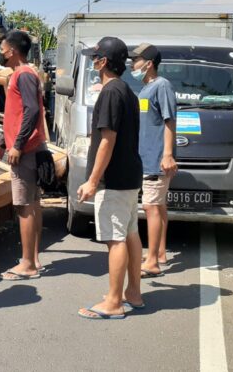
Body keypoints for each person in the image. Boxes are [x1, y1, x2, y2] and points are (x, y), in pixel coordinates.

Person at [76, 37, 144, 320]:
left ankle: (114, 302)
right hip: (129, 176)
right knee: (130, 235)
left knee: (115, 239)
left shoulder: (110, 93)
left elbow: (107, 140)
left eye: (95, 58)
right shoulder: (126, 91)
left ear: (103, 62)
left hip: (114, 180)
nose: (93, 63)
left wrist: (92, 180)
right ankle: (133, 293)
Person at [0, 30, 48, 280]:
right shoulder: (25, 73)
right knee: (33, 204)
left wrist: (18, 145)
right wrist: (4, 142)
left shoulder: (23, 75)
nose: (1, 54)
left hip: (26, 152)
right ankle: (34, 258)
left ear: (13, 51)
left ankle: (27, 264)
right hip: (30, 148)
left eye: (2, 50)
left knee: (24, 206)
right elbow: (15, 114)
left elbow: (31, 110)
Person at [129, 43, 177, 277]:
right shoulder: (146, 89)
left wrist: (167, 154)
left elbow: (169, 120)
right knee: (158, 206)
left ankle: (151, 263)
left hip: (156, 159)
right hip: (147, 158)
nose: (132, 65)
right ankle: (159, 254)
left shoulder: (162, 85)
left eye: (135, 60)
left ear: (148, 64)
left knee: (151, 207)